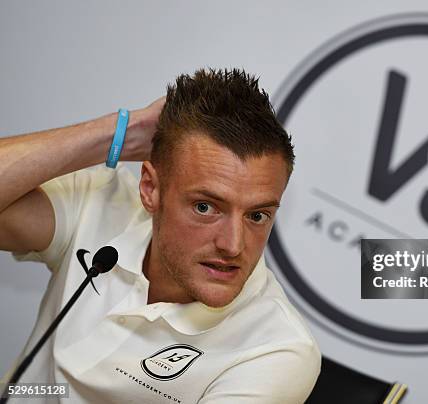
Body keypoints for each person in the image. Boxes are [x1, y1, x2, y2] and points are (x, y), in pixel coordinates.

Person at [0, 68, 321, 403]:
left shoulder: (278, 349)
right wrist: (119, 132)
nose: (233, 245)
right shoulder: (100, 203)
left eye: (257, 215)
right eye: (205, 207)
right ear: (150, 189)